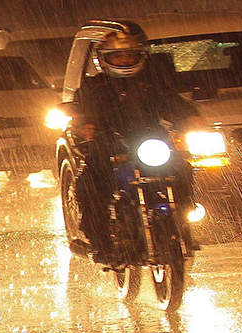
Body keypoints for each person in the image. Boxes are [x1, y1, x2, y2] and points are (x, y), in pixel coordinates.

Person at [70, 22, 199, 266]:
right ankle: (101, 244)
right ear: (105, 59)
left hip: (150, 140)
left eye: (129, 55)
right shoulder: (94, 87)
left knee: (182, 168)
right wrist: (84, 126)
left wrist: (191, 118)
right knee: (90, 186)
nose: (124, 61)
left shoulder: (152, 83)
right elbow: (80, 112)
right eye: (117, 56)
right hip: (108, 144)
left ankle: (182, 220)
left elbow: (173, 104)